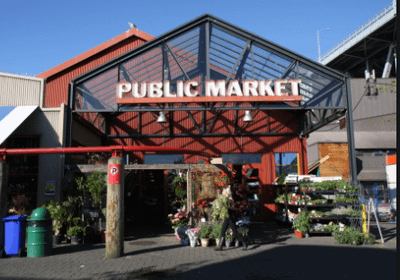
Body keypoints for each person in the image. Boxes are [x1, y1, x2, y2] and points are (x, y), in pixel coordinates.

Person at [215, 183, 250, 251]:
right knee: (223, 231)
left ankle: (244, 242)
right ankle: (220, 246)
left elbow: (233, 208)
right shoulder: (225, 199)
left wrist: (226, 207)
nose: (223, 192)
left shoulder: (231, 200)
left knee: (235, 232)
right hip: (227, 217)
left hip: (231, 217)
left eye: (224, 191)